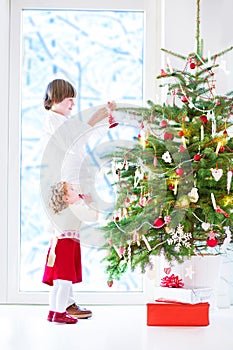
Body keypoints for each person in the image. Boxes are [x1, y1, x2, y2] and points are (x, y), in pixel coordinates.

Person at [41, 79, 115, 321]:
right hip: (64, 191)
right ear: (55, 98)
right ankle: (61, 307)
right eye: (69, 98)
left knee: (67, 245)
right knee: (65, 244)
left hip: (68, 189)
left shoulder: (61, 121)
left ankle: (65, 304)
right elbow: (76, 141)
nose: (74, 103)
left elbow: (79, 139)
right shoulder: (55, 121)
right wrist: (102, 120)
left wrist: (103, 121)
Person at [42, 181, 98, 324]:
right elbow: (94, 216)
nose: (76, 189)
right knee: (65, 283)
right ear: (66, 198)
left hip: (55, 246)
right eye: (72, 189)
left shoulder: (56, 211)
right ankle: (61, 314)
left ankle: (53, 311)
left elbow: (49, 229)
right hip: (66, 247)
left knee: (56, 283)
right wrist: (90, 202)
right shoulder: (75, 209)